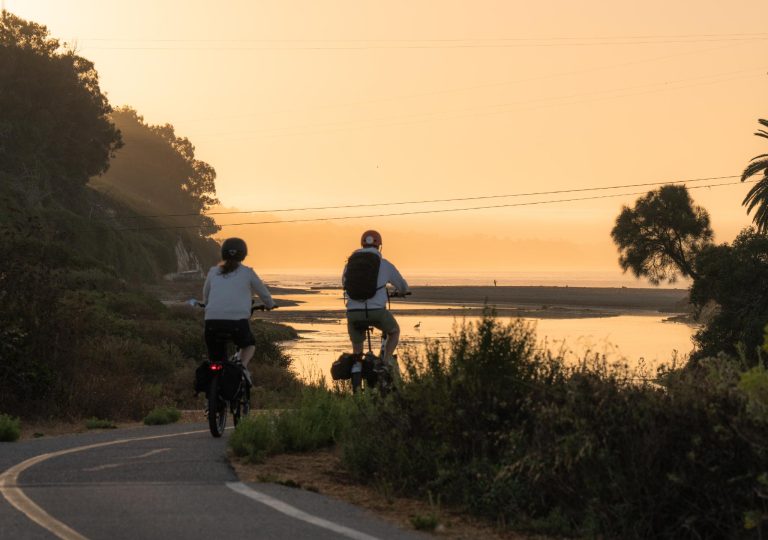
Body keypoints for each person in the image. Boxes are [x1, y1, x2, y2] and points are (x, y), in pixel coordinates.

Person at [202, 237, 275, 383]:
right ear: (243, 254)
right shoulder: (247, 272)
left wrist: (207, 305)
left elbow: (206, 296)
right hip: (237, 322)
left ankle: (212, 392)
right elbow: (264, 294)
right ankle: (242, 366)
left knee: (216, 362)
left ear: (223, 253)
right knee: (249, 344)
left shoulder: (213, 272)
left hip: (212, 322)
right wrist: (270, 304)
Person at [342, 230, 409, 379]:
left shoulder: (349, 265)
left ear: (362, 245)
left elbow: (344, 284)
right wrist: (402, 292)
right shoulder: (384, 264)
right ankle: (384, 363)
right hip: (377, 312)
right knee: (394, 332)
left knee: (357, 351)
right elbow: (403, 286)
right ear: (379, 246)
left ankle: (357, 365)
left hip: (353, 313)